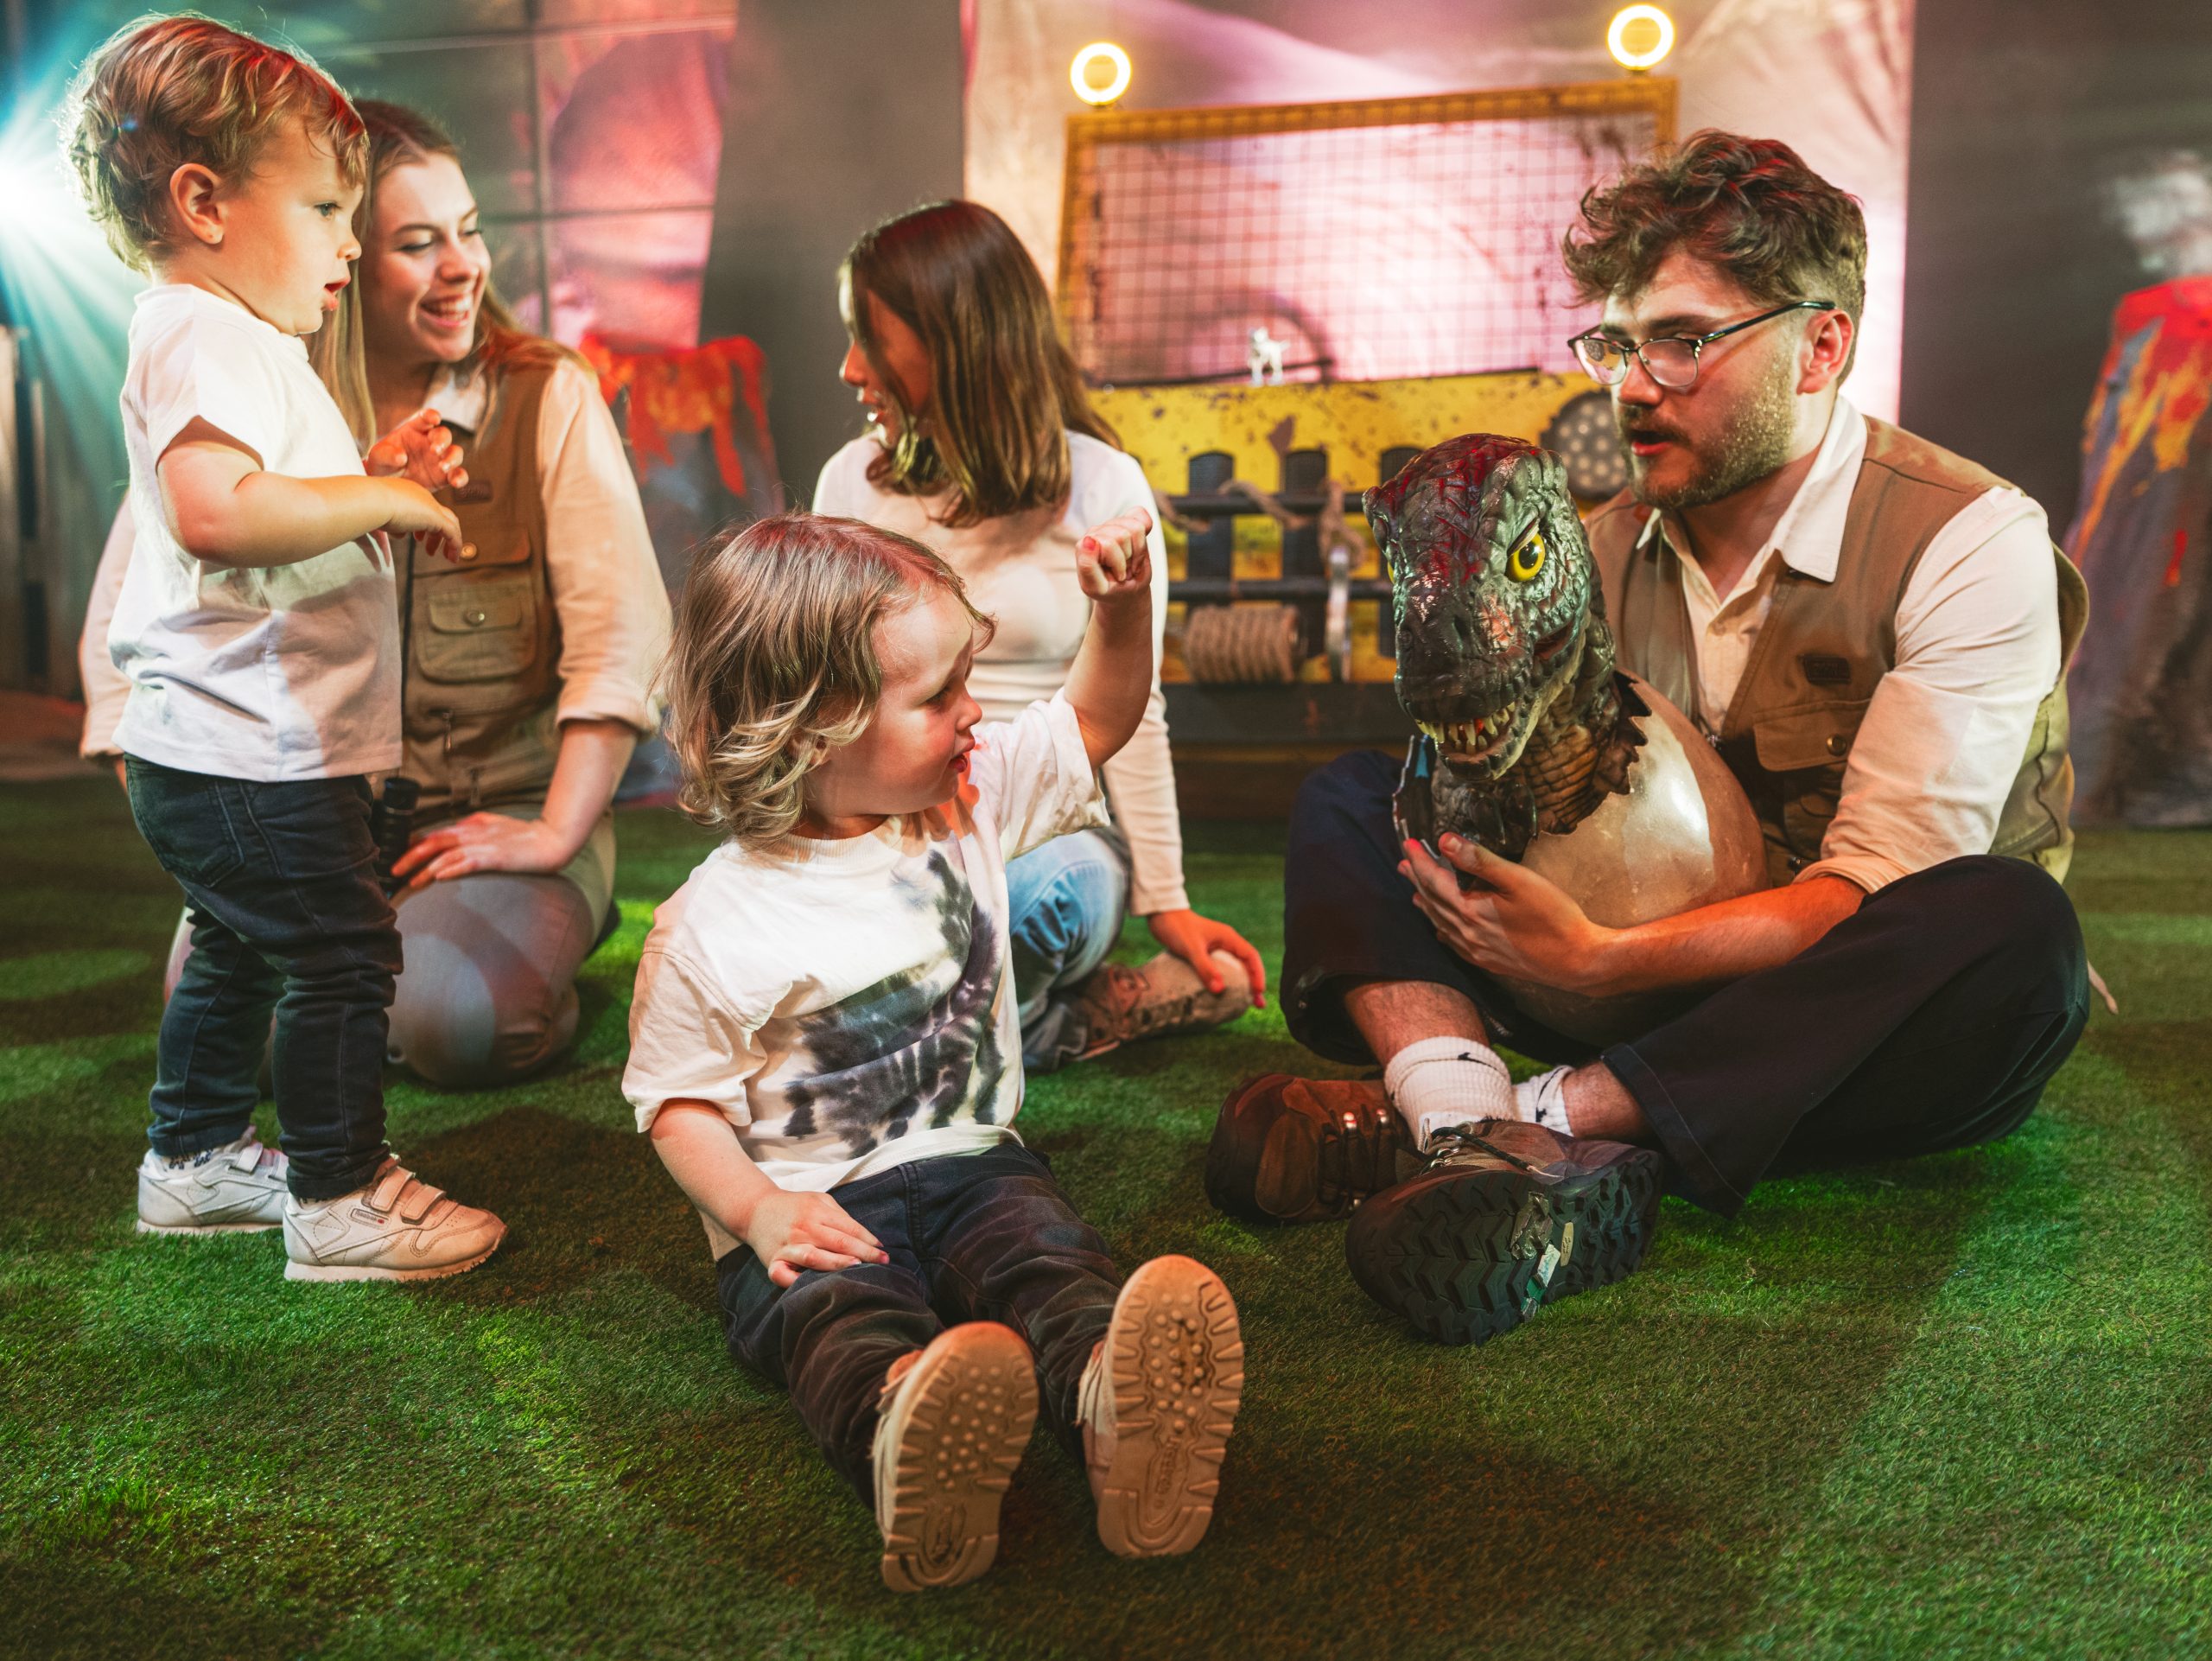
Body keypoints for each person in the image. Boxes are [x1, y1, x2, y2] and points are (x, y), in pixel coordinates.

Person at [1205, 131, 2094, 1343]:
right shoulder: (1595, 546)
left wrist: (1597, 962)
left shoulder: (1969, 539)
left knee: (2013, 931)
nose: (1630, 386)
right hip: (1625, 989)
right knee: (1360, 796)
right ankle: (1502, 1129)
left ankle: (1505, 1120)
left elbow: (1874, 889)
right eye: (1616, 344)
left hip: (1837, 1006)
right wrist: (1543, 917)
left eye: (1680, 340)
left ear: (1821, 345)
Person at [626, 510, 1246, 1592]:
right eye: (939, 694)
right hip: (816, 1213)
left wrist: (1121, 606)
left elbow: (1098, 715)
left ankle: (1108, 1395)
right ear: (811, 727)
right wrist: (757, 1211)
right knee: (836, 1319)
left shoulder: (966, 798)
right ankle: (900, 1424)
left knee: (1047, 1256)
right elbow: (678, 1105)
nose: (975, 712)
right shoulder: (710, 923)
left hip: (975, 1166)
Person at [80, 99, 672, 1087]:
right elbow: (125, 623)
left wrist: (555, 831)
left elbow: (623, 639)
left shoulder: (546, 392)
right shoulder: (251, 380)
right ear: (340, 249)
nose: (465, 266)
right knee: (237, 1033)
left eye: (469, 230)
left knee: (451, 1025)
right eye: (417, 242)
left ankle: (540, 927)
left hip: (489, 813)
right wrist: (219, 831)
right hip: (303, 823)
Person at [65, 16, 503, 1278]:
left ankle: (194, 1157)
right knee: (342, 951)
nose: (349, 244)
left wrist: (361, 467)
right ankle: (339, 1193)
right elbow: (217, 515)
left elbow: (262, 510)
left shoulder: (234, 338)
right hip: (247, 749)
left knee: (243, 943)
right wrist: (387, 496)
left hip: (236, 748)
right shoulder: (200, 330)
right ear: (204, 203)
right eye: (323, 210)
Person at [813, 200, 1267, 1073]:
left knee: (1021, 904)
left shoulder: (1103, 484)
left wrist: (1165, 900)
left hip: (1050, 829)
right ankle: (1069, 1023)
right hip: (888, 824)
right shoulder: (851, 484)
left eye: (869, 338)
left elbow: (1137, 707)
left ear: (955, 341)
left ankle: (913, 1034)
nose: (849, 368)